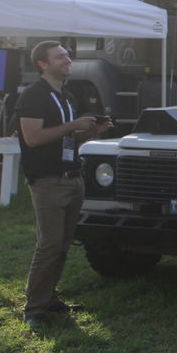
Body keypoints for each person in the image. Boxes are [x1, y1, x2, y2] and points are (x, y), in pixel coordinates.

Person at [15, 41, 111, 329]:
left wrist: (91, 131)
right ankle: (34, 308)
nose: (67, 60)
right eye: (60, 57)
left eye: (68, 55)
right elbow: (32, 138)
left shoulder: (66, 96)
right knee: (49, 245)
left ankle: (49, 297)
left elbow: (65, 140)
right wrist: (72, 126)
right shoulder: (34, 96)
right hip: (47, 180)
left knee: (63, 244)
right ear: (43, 64)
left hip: (72, 177)